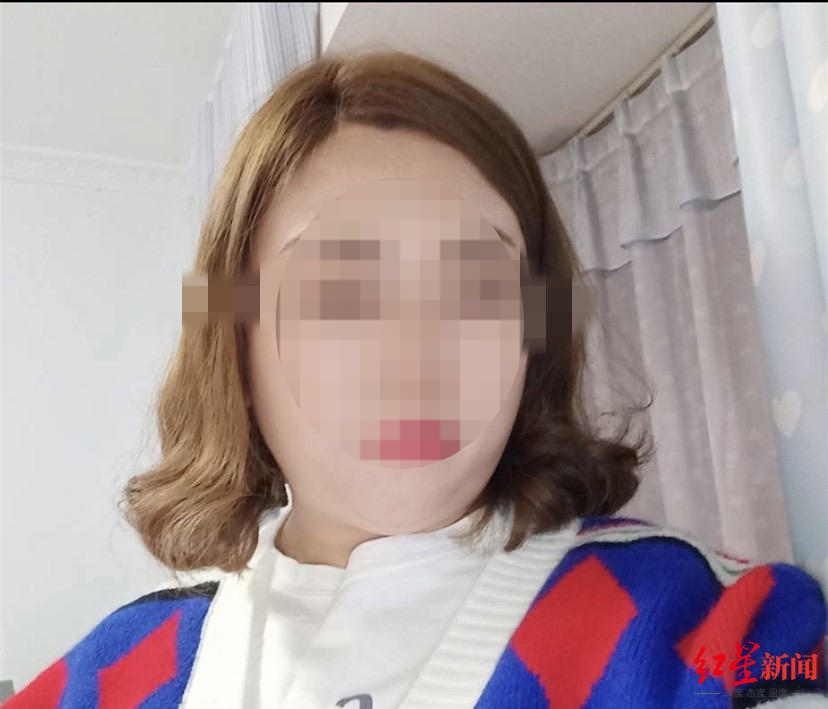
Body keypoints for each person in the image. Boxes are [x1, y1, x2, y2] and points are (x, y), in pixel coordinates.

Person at [6, 50, 826, 709]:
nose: (415, 349)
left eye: (475, 286)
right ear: (234, 342)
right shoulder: (112, 674)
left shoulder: (714, 626)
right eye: (339, 290)